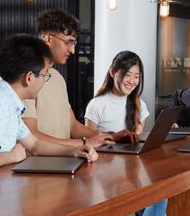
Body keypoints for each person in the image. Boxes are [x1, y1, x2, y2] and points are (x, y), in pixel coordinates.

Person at [0, 34, 97, 175]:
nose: (45, 80)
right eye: (45, 75)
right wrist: (12, 156)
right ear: (29, 78)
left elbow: (35, 145)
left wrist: (75, 151)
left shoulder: (10, 100)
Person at [84, 51, 165, 216]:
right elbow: (88, 142)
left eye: (137, 76)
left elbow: (138, 140)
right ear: (113, 73)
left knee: (161, 195)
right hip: (104, 176)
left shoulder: (139, 104)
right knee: (158, 199)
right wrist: (112, 136)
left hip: (131, 174)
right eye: (128, 75)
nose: (132, 81)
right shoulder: (96, 104)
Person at [22, 9, 130, 149]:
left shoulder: (57, 78)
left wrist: (108, 136)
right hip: (38, 166)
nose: (72, 50)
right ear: (48, 38)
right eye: (68, 42)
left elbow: (72, 125)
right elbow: (32, 136)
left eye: (74, 43)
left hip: (64, 162)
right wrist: (84, 143)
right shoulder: (28, 79)